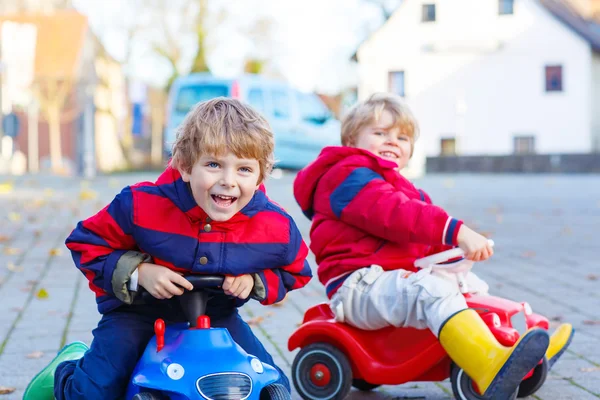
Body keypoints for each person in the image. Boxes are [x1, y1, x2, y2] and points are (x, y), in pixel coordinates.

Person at [24, 98, 312, 400]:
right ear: (186, 167)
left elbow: (297, 269)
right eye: (213, 165)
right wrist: (139, 272)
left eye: (243, 169)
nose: (228, 181)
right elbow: (85, 243)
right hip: (138, 314)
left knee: (269, 382)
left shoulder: (273, 224)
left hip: (216, 317)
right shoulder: (141, 205)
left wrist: (256, 281)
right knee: (94, 392)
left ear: (260, 176)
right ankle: (66, 372)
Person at [293, 92, 553, 398]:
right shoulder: (349, 177)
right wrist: (455, 231)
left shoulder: (401, 187)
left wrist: (451, 256)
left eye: (402, 137)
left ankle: (508, 346)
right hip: (360, 285)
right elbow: (395, 214)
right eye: (380, 133)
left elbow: (422, 239)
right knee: (432, 290)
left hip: (390, 279)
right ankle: (485, 362)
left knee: (467, 284)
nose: (392, 141)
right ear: (351, 140)